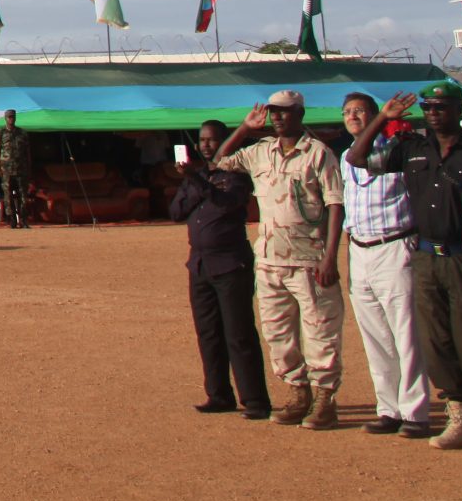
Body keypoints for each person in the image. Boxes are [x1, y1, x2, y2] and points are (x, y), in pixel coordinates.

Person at [350, 85, 462, 453]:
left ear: (456, 109)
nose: (434, 113)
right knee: (437, 341)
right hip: (424, 257)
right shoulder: (412, 148)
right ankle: (459, 418)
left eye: (442, 107)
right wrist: (382, 119)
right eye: (428, 107)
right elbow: (357, 158)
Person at [214, 92, 345, 429]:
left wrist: (330, 257)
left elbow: (335, 205)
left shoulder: (318, 154)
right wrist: (245, 128)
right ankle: (297, 392)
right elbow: (219, 160)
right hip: (270, 260)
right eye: (274, 113)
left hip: (310, 259)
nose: (278, 118)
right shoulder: (261, 152)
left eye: (285, 113)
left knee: (320, 331)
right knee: (278, 333)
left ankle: (325, 399)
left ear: (300, 114)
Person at [334, 91, 434, 437]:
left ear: (378, 115)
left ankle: (416, 412)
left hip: (394, 245)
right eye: (347, 111)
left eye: (360, 111)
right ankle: (388, 408)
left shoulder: (399, 148)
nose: (352, 116)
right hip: (360, 250)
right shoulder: (347, 156)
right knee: (375, 336)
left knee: (406, 333)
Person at [171, 119, 271, 420]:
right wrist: (192, 182)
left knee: (238, 333)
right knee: (208, 333)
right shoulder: (196, 175)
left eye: (212, 140)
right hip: (200, 264)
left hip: (230, 263)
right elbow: (176, 212)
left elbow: (228, 204)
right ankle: (218, 394)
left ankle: (255, 400)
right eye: (202, 140)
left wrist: (199, 182)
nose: (206, 145)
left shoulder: (237, 175)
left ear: (226, 141)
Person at [0, 111, 32, 230]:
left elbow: (27, 151)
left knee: (23, 196)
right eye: (9, 117)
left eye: (13, 117)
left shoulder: (22, 133)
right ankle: (11, 220)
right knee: (8, 196)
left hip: (21, 169)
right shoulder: (1, 132)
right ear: (5, 119)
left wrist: (29, 166)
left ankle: (23, 220)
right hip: (6, 170)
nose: (11, 119)